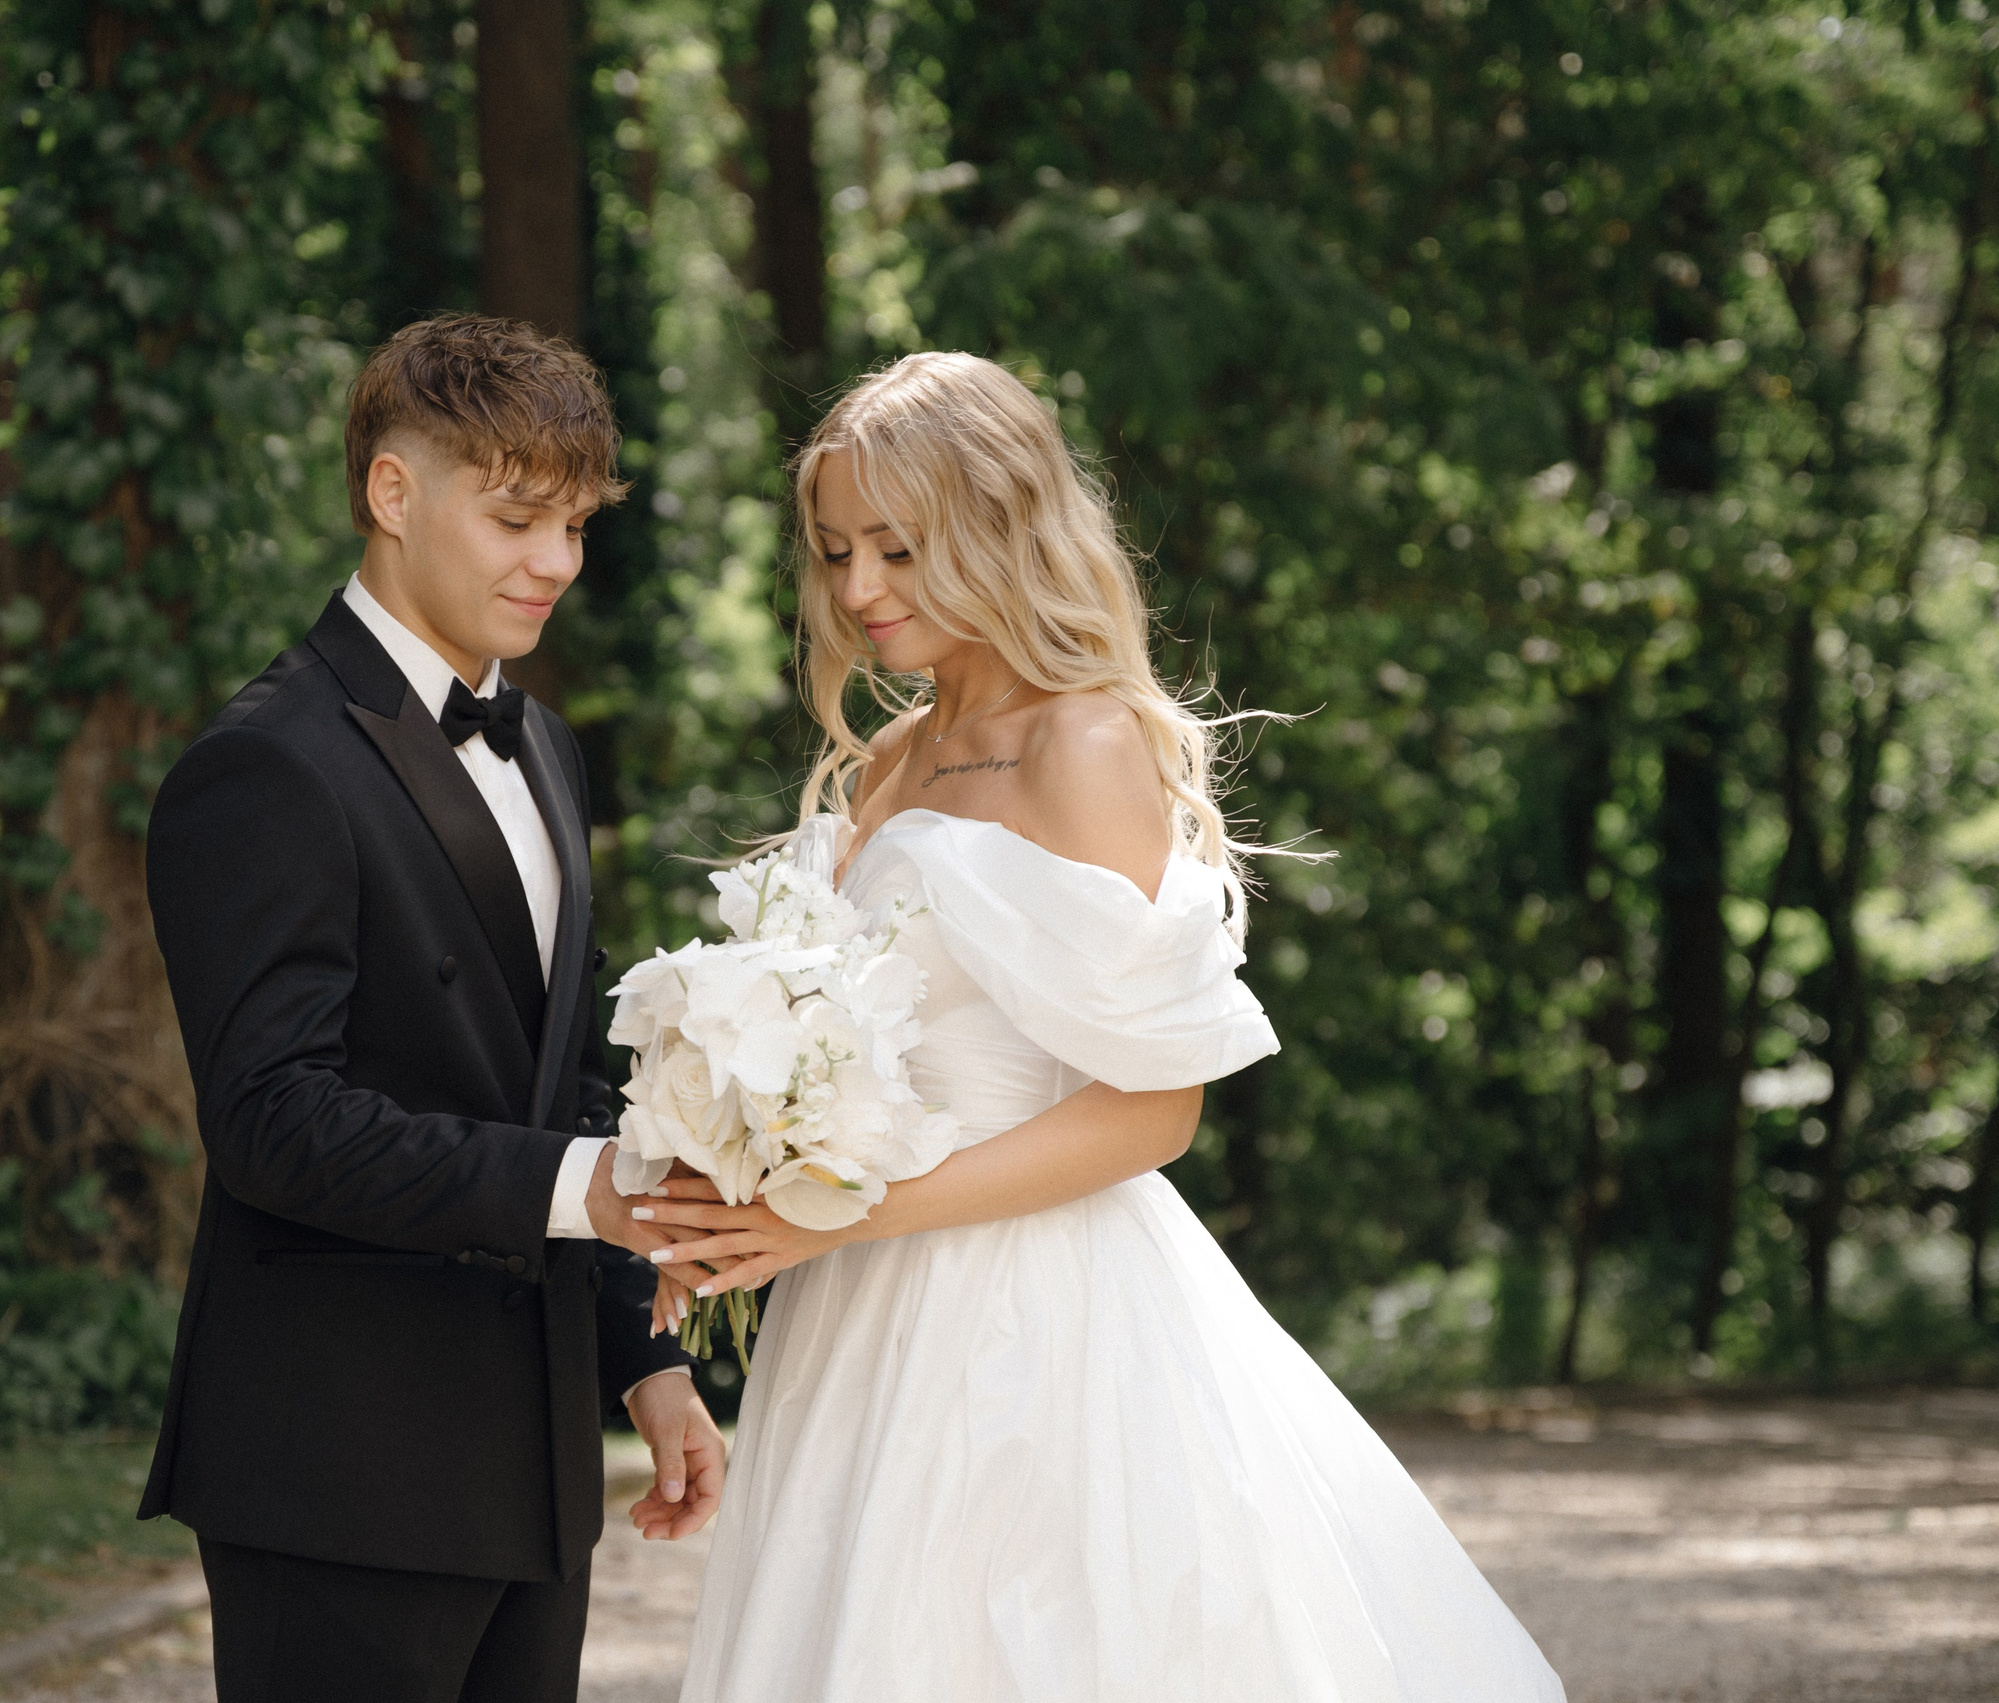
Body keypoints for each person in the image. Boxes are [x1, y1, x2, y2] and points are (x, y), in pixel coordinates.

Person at [640, 351, 1566, 1701]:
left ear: (999, 526)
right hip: (851, 1308)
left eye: (898, 550)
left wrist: (853, 1211)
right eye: (836, 551)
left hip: (1036, 1313)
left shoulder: (1082, 746)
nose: (857, 592)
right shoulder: (893, 759)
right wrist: (734, 1171)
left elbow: (1153, 1109)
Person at [140, 314, 727, 1703]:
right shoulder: (263, 765)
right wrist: (592, 1187)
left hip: (531, 1469)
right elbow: (273, 1121)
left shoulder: (549, 746)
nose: (558, 565)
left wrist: (641, 1356)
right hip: (340, 1465)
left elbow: (562, 1080)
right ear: (392, 496)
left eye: (578, 524)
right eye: (520, 518)